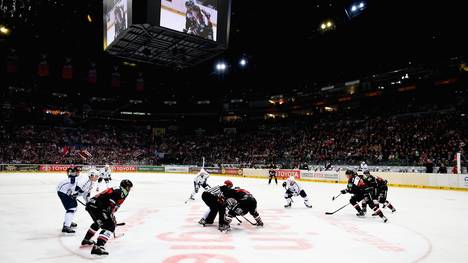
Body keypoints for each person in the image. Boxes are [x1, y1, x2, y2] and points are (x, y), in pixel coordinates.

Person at [81, 179, 133, 255]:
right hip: (98, 207)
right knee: (110, 227)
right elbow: (110, 205)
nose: (129, 189)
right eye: (128, 187)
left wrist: (111, 213)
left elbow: (111, 205)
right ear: (125, 186)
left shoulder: (118, 190)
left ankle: (86, 239)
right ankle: (98, 247)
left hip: (93, 205)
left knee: (98, 223)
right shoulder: (120, 192)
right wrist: (111, 215)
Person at [57, 169, 99, 233]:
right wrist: (73, 193)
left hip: (68, 192)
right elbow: (76, 186)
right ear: (91, 175)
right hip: (63, 190)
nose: (97, 177)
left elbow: (86, 194)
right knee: (72, 207)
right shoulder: (85, 179)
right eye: (96, 176)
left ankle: (68, 222)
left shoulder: (91, 182)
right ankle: (66, 226)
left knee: (74, 207)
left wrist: (88, 203)